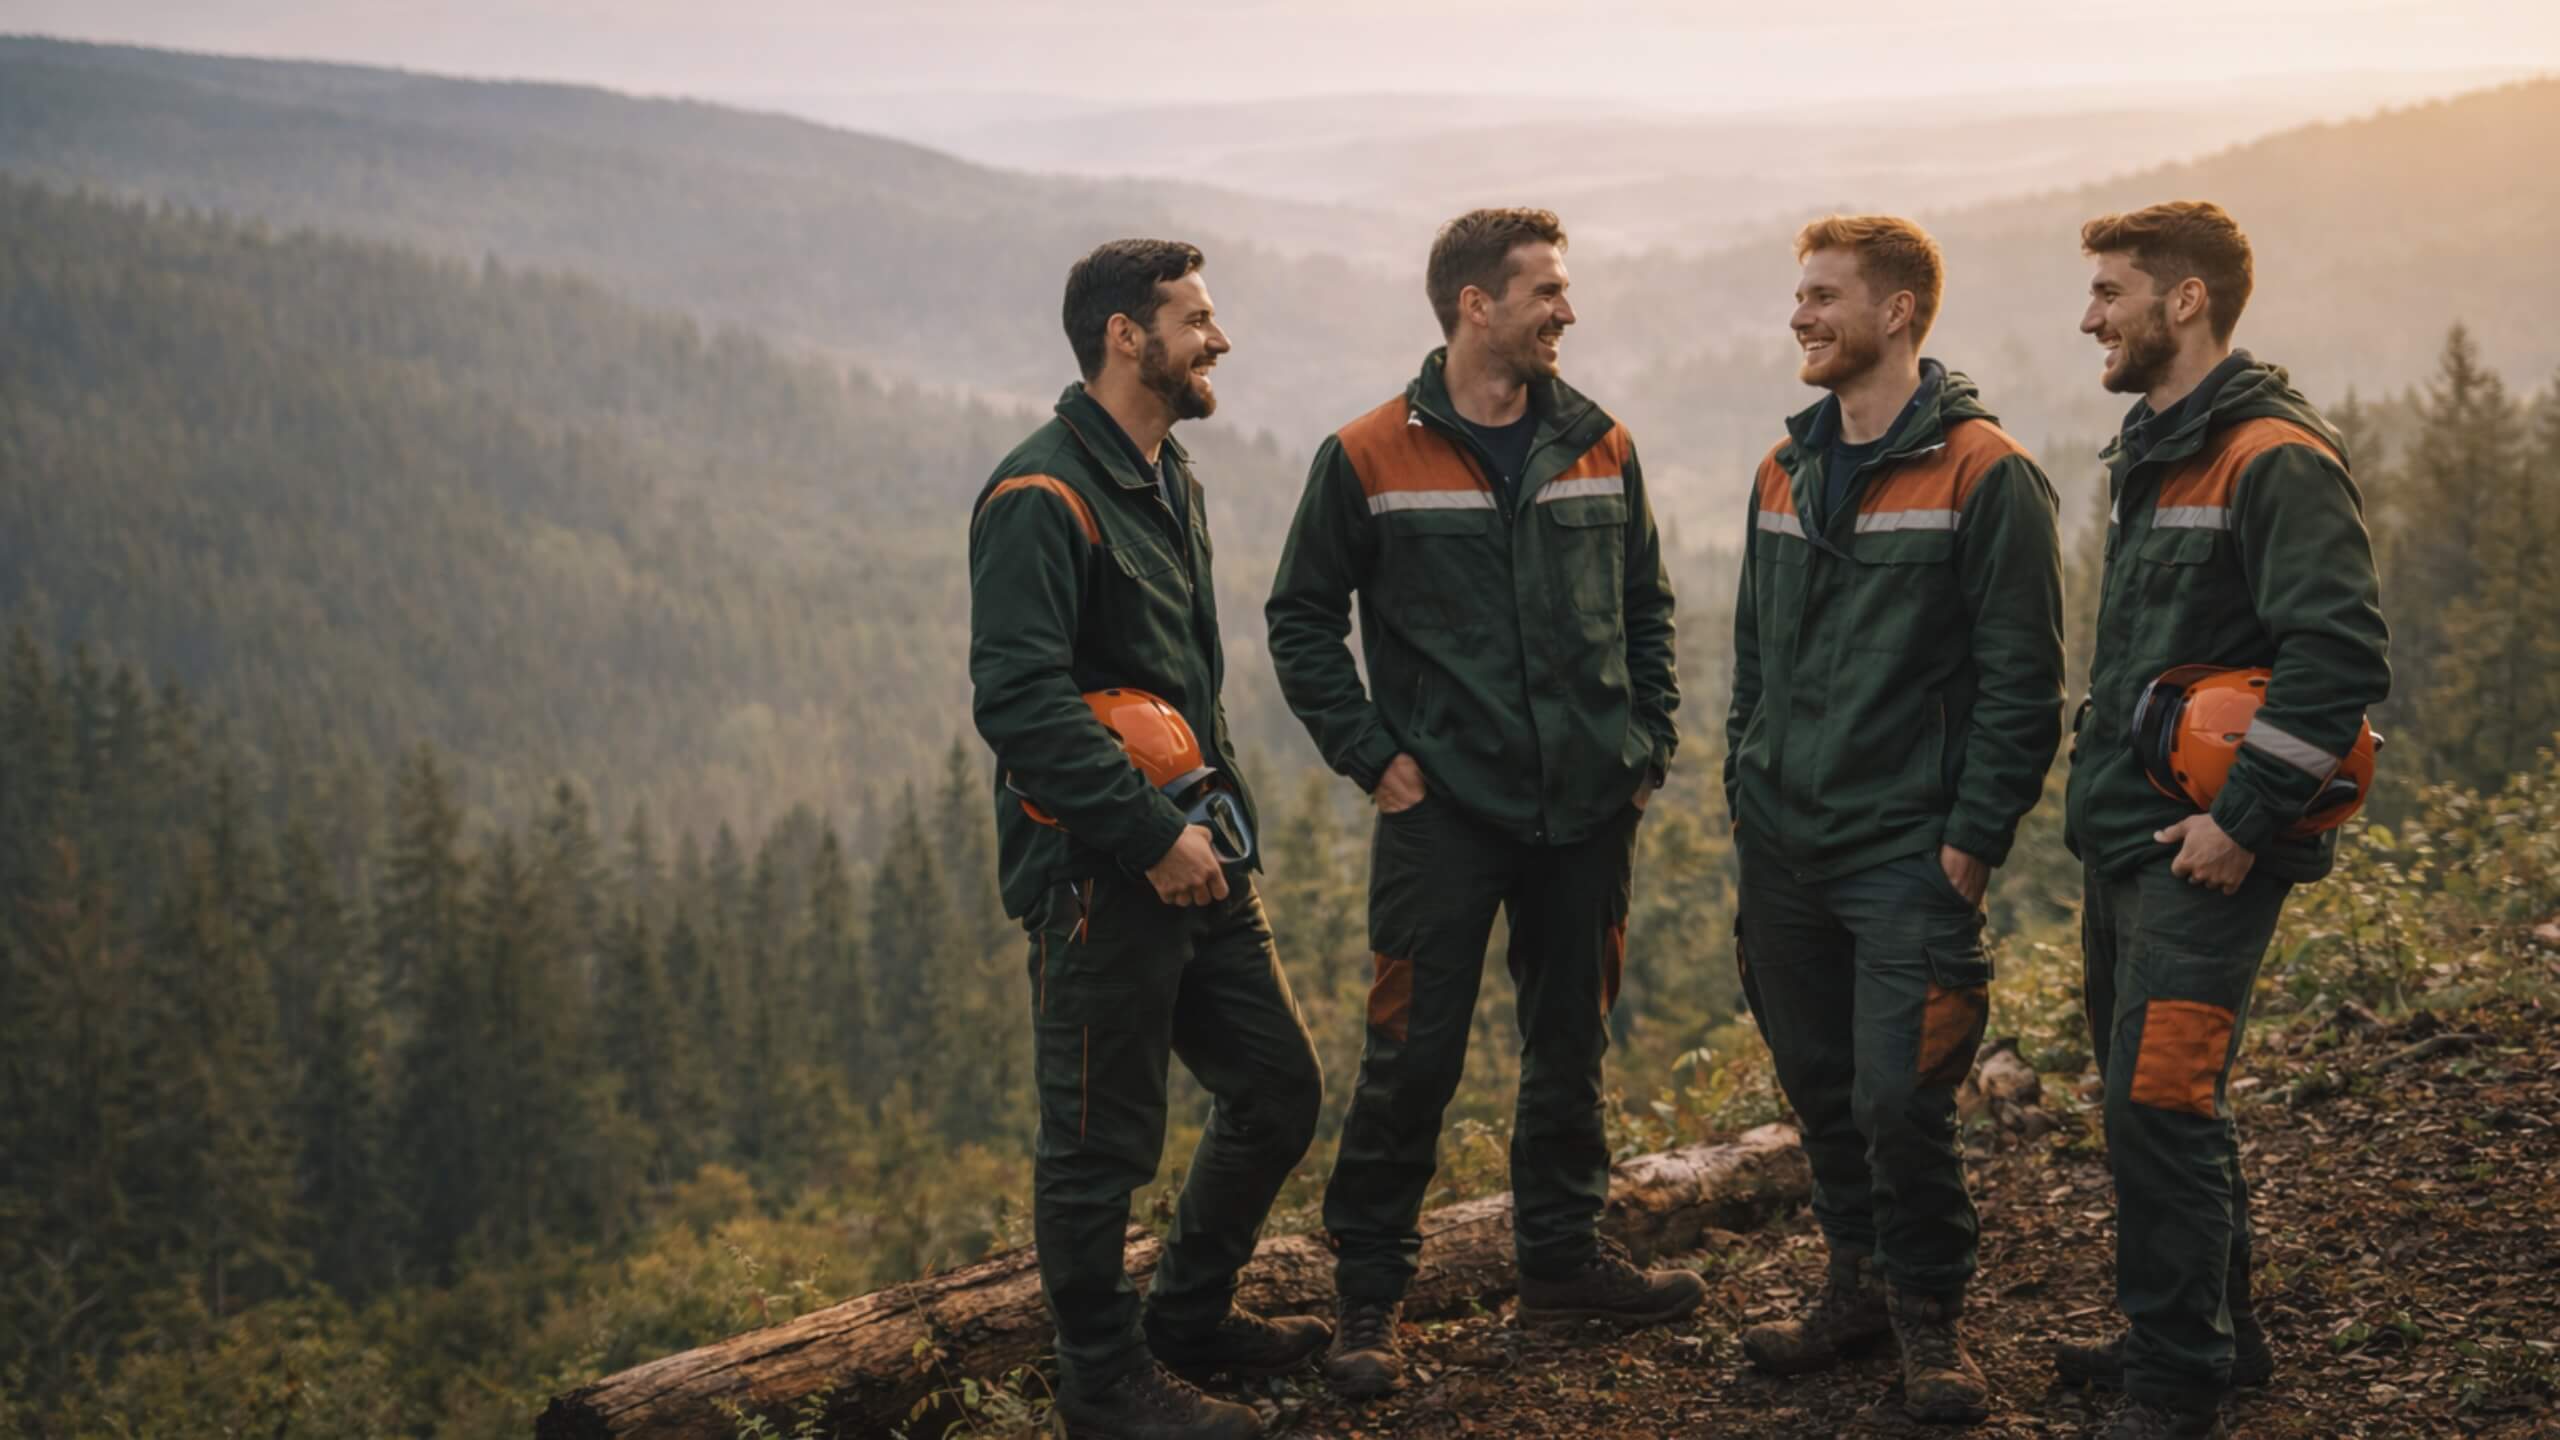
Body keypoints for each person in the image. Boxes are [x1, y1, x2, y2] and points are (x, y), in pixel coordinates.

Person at [1265, 206, 1694, 1401]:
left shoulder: (1599, 442)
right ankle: (1368, 1303)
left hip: (1587, 813)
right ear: (1475, 306)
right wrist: (1369, 754)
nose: (1567, 308)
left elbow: (1646, 606)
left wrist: (1644, 740)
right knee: (1410, 1057)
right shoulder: (1365, 455)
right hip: (1442, 818)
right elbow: (1300, 619)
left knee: (1570, 1044)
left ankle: (1560, 1261)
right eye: (1546, 290)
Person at [968, 239, 1327, 1440]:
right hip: (1100, 878)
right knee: (1095, 1144)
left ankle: (1185, 1320)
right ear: (1127, 335)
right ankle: (1102, 1384)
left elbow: (1176, 695)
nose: (1217, 339)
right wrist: (1143, 837)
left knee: (1277, 1089)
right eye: (1196, 319)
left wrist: (1206, 831)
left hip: (1201, 856)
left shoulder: (1167, 474)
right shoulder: (1040, 495)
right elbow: (1020, 706)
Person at [2056, 200, 2389, 1440]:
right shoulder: (2160, 444)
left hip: (2205, 852)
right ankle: (2211, 1334)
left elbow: (2340, 654)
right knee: (2156, 1097)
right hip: (2131, 840)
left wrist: (2242, 822)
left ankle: (2176, 1385)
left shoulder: (2270, 456)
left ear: (2182, 300)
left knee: (2161, 1098)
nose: (2089, 315)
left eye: (2110, 292)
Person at [1724, 214, 2065, 1424]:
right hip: (1783, 851)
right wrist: (1744, 787)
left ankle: (1929, 1319)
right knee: (1819, 1088)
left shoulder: (1987, 475)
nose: (1801, 316)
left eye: (1824, 296)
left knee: (1899, 1097)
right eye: (1799, 296)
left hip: (1907, 856)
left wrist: (1971, 843)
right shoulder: (1783, 467)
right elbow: (1752, 658)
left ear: (1900, 312)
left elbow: (2024, 685)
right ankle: (1854, 1289)